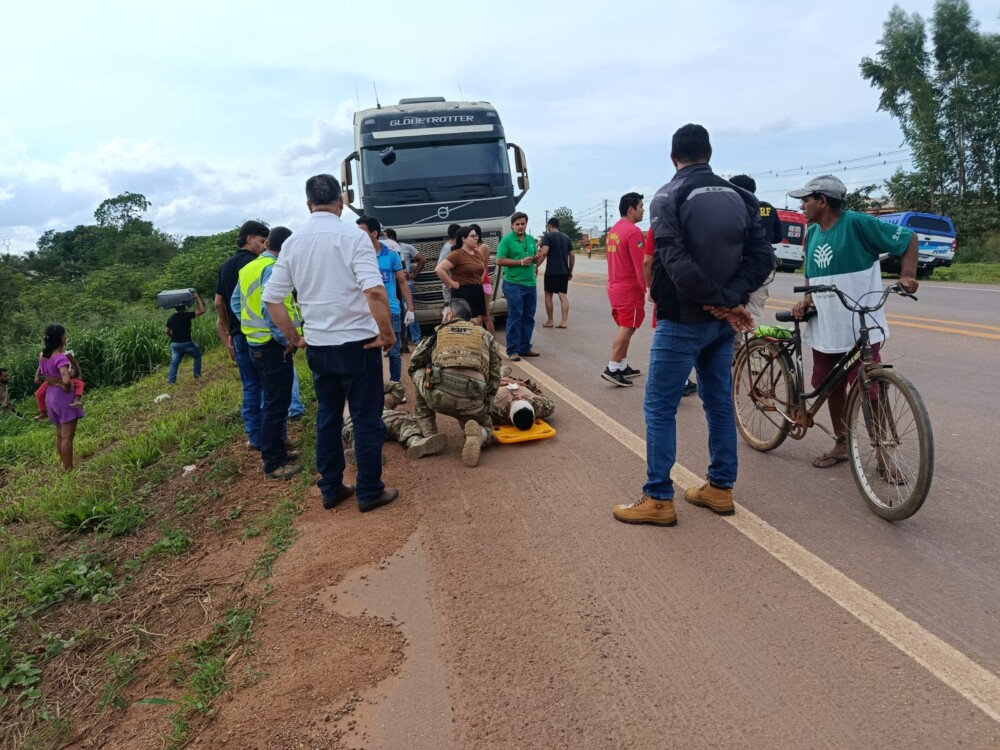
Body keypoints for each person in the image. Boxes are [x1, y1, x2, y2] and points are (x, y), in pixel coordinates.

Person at [613, 124, 774, 527]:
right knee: (718, 401)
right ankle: (720, 488)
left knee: (660, 406)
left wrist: (719, 301)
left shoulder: (668, 196)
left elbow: (675, 263)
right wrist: (731, 301)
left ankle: (658, 497)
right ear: (710, 152)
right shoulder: (742, 197)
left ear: (673, 158)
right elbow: (763, 260)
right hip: (721, 324)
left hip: (683, 319)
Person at [262, 174, 399, 513]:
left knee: (328, 417)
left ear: (309, 205)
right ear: (340, 202)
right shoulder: (354, 237)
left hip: (321, 348)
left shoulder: (293, 243)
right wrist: (388, 334)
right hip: (360, 345)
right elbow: (375, 290)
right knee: (367, 419)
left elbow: (272, 300)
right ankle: (369, 491)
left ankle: (331, 488)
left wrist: (295, 338)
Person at [788, 175, 919, 469]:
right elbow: (810, 273)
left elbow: (908, 238)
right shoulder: (811, 232)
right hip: (825, 324)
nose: (802, 207)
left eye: (805, 200)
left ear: (822, 201)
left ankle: (884, 449)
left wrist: (908, 276)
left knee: (871, 389)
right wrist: (808, 299)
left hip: (860, 322)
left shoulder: (858, 223)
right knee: (831, 386)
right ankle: (841, 441)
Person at [234, 226, 303, 480]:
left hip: (255, 343)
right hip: (273, 345)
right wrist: (286, 338)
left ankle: (276, 449)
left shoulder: (248, 268)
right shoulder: (273, 268)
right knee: (276, 404)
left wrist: (248, 328)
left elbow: (234, 303)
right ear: (285, 248)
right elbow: (269, 306)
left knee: (271, 401)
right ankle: (273, 463)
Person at [408, 298, 502, 467]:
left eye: (443, 315)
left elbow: (414, 362)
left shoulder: (437, 334)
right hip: (473, 399)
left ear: (450, 315)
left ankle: (428, 431)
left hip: (440, 396)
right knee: (487, 429)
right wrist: (486, 406)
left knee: (418, 371)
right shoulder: (485, 335)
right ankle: (479, 434)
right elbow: (495, 375)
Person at [215, 220, 269, 449]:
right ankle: (274, 437)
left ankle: (254, 437)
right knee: (269, 386)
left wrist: (229, 330)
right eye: (261, 241)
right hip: (259, 334)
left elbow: (218, 303)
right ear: (250, 239)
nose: (264, 246)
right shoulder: (257, 264)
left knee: (250, 386)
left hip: (237, 334)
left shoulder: (226, 265)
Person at [357, 216, 416, 384]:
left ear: (374, 233)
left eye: (362, 232)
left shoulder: (391, 256)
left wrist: (410, 307)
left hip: (391, 310)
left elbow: (402, 281)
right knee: (370, 351)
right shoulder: (357, 256)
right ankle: (375, 388)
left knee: (394, 351)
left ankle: (395, 386)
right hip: (365, 313)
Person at [644, 226, 697, 398]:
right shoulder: (707, 216)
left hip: (669, 294)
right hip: (705, 295)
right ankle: (682, 381)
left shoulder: (660, 223)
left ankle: (677, 382)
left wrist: (650, 287)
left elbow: (647, 261)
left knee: (668, 340)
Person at [602, 192, 647, 387]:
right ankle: (612, 367)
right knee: (628, 327)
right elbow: (641, 264)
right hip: (629, 289)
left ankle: (622, 365)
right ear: (631, 209)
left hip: (615, 286)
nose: (643, 210)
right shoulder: (633, 231)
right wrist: (649, 287)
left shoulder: (614, 231)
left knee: (626, 326)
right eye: (641, 206)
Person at [343, 382, 448, 465]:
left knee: (404, 420)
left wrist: (373, 385)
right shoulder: (340, 403)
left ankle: (416, 442)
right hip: (365, 420)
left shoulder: (376, 396)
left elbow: (398, 387)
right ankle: (365, 454)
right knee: (354, 429)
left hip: (378, 417)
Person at [730, 174, 782, 325]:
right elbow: (778, 236)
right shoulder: (768, 208)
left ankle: (735, 347)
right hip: (764, 265)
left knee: (733, 307)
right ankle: (753, 347)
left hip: (739, 265)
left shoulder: (735, 206)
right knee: (755, 309)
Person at [38, 324, 85, 471]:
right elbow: (65, 380)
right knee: (68, 436)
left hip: (51, 396)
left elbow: (47, 377)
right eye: (64, 335)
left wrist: (56, 382)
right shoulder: (60, 358)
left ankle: (64, 465)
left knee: (60, 434)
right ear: (61, 338)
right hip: (63, 398)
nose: (65, 337)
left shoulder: (43, 356)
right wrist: (68, 385)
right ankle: (69, 469)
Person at [496, 212, 539, 361]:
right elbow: (499, 260)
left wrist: (535, 259)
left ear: (526, 224)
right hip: (514, 284)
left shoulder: (531, 239)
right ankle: (512, 350)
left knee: (529, 317)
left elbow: (533, 257)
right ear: (512, 225)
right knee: (515, 317)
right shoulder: (507, 240)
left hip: (530, 284)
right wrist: (520, 262)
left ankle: (525, 347)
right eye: (517, 224)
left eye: (523, 224)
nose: (520, 227)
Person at [436, 226, 490, 330]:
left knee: (478, 324)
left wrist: (479, 281)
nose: (476, 238)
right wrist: (451, 283)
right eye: (472, 236)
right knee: (467, 326)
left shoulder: (477, 253)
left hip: (477, 291)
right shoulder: (456, 254)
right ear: (463, 239)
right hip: (463, 292)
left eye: (476, 236)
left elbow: (482, 269)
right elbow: (439, 269)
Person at [385, 228, 426, 344]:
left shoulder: (406, 247)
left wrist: (414, 274)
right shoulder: (384, 251)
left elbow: (422, 259)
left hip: (405, 285)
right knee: (397, 312)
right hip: (392, 287)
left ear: (392, 238)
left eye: (385, 237)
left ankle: (416, 338)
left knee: (409, 310)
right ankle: (405, 338)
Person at [537, 217, 574, 329]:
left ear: (549, 226)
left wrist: (536, 266)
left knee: (548, 295)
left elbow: (543, 253)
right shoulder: (566, 238)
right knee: (563, 296)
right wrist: (570, 271)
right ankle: (564, 321)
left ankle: (550, 321)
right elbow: (572, 255)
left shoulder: (548, 236)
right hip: (563, 272)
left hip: (551, 272)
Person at [491, 366, 555, 427]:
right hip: (520, 385)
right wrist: (530, 387)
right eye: (522, 400)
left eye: (515, 400)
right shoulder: (539, 407)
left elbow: (482, 393)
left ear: (509, 416)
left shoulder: (494, 408)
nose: (518, 397)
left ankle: (500, 375)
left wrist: (498, 382)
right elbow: (550, 404)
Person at [165, 292, 206, 385]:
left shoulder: (171, 319)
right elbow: (202, 310)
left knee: (175, 362)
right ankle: (197, 375)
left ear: (175, 308)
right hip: (187, 343)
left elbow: (166, 331)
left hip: (175, 344)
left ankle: (171, 382)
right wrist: (197, 298)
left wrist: (171, 336)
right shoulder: (187, 316)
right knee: (197, 355)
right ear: (184, 307)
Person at [34, 350, 85, 419]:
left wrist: (79, 374)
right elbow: (41, 365)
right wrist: (37, 376)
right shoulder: (47, 354)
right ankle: (43, 412)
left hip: (65, 378)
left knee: (80, 383)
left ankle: (76, 400)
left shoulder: (66, 354)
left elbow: (75, 364)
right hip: (51, 379)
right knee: (38, 394)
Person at [440, 223, 461, 303]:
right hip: (451, 289)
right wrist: (450, 284)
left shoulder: (453, 247)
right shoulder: (448, 248)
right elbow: (439, 267)